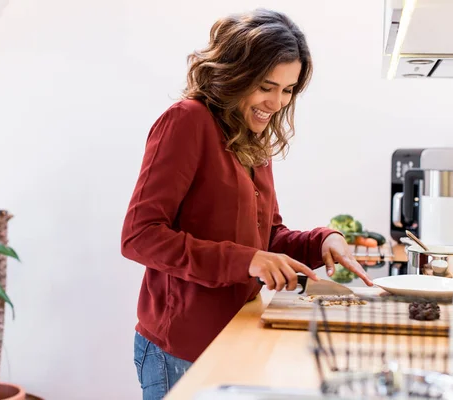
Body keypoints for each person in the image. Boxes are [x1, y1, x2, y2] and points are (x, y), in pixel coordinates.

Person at [121, 8, 372, 400]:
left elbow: (267, 236)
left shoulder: (252, 139)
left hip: (236, 333)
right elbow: (139, 237)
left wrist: (323, 241)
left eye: (288, 90)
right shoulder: (187, 121)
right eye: (266, 86)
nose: (276, 102)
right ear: (235, 75)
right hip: (179, 351)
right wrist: (246, 260)